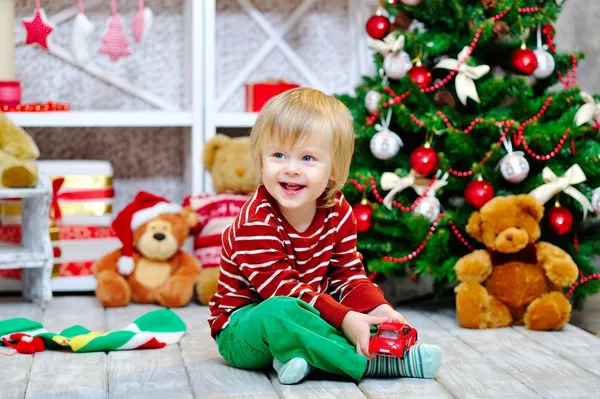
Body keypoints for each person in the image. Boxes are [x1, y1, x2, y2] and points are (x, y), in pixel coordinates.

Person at [208, 87, 442, 385]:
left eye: (307, 158)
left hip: (308, 313)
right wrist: (344, 318)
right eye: (278, 155)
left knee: (342, 314)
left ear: (333, 169)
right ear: (261, 160)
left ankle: (302, 358)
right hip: (244, 328)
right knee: (281, 311)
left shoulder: (338, 211)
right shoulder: (255, 221)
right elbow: (282, 290)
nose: (291, 169)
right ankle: (373, 363)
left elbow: (348, 275)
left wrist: (379, 309)